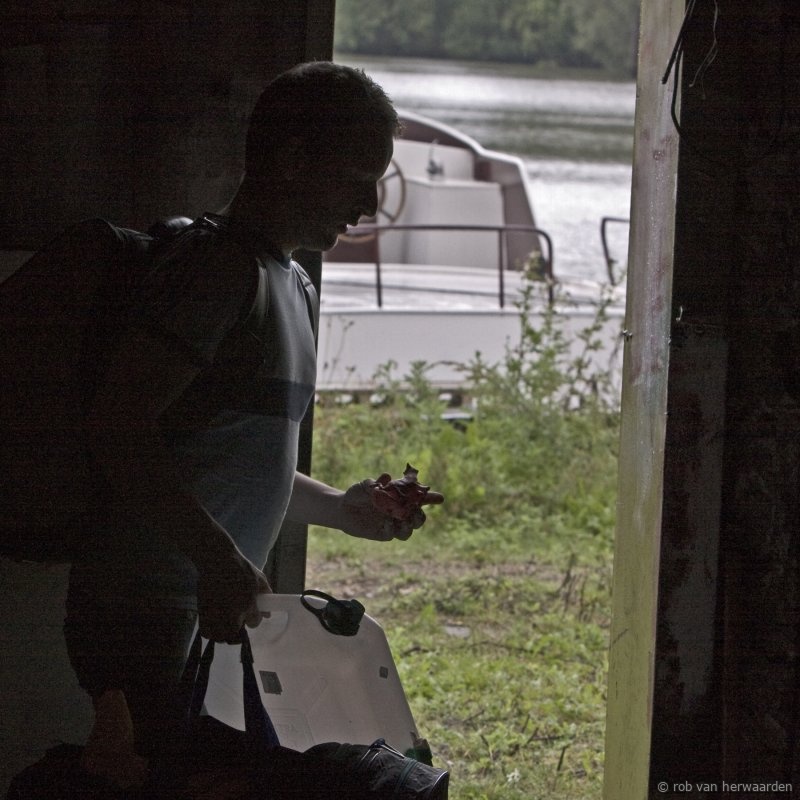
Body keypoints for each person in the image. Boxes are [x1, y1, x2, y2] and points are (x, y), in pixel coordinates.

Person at [62, 61, 443, 786]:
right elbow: (116, 425)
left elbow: (230, 460)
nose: (368, 206)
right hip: (140, 614)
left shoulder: (292, 284)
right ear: (293, 161)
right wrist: (217, 559)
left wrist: (341, 508)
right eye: (357, 179)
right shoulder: (216, 270)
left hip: (206, 614)